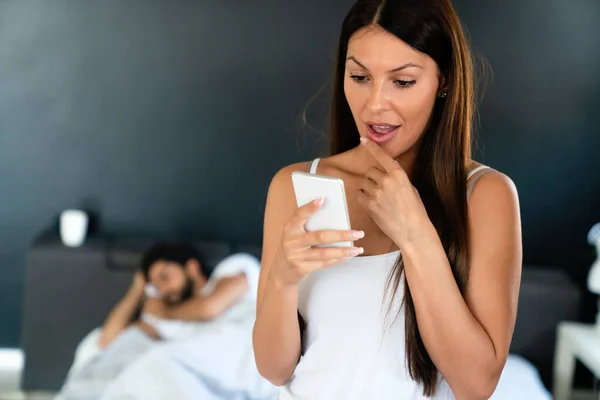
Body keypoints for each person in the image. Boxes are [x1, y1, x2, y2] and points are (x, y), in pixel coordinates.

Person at [252, 1, 522, 399]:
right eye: (359, 76)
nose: (374, 103)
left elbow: (476, 384)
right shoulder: (295, 186)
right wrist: (282, 279)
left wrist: (414, 235)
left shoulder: (484, 195)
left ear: (442, 81)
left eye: (403, 82)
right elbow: (274, 371)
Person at [56, 242, 257, 400]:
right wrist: (137, 290)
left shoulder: (232, 268)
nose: (162, 289)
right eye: (154, 285)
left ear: (192, 267)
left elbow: (210, 308)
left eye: (165, 277)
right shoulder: (171, 320)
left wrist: (162, 311)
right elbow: (107, 342)